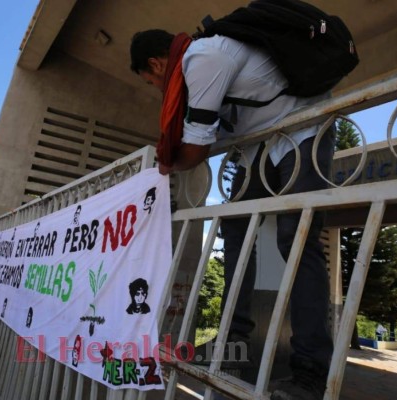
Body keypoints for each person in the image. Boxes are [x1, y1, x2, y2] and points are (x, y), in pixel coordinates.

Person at [130, 29, 335, 400]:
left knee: (297, 238)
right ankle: (232, 340)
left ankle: (311, 371)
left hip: (304, 127)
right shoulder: (195, 73)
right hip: (258, 145)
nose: (155, 87)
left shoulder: (202, 58)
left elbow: (196, 146)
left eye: (151, 80)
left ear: (156, 64)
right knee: (235, 232)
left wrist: (164, 167)